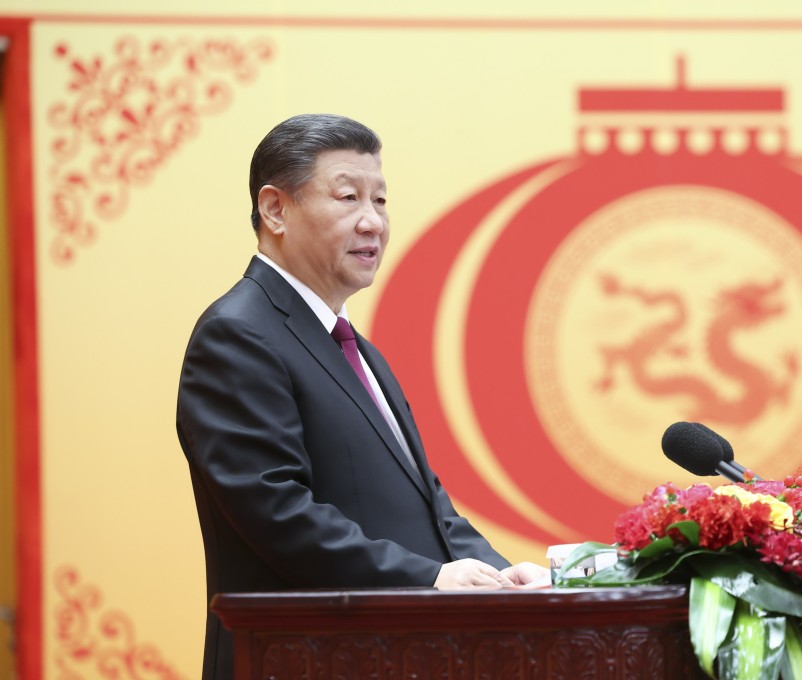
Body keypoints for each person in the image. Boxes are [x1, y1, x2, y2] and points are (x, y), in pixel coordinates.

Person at [176, 114, 548, 680]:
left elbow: (427, 505)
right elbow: (277, 511)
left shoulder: (356, 349)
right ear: (275, 209)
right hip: (295, 659)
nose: (372, 222)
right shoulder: (239, 333)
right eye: (348, 197)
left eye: (380, 200)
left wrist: (497, 573)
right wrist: (425, 578)